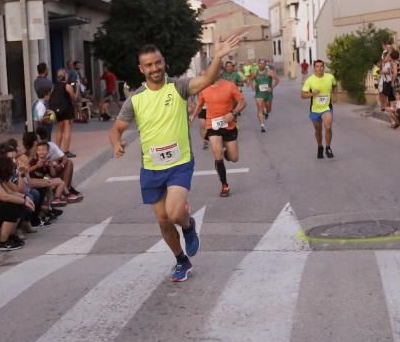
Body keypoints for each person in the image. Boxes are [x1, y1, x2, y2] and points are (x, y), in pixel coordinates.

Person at [110, 32, 244, 283]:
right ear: (141, 69)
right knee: (162, 220)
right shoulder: (135, 100)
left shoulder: (179, 87)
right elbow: (116, 128)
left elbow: (207, 79)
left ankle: (189, 225)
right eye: (148, 65)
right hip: (151, 168)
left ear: (164, 62)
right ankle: (181, 259)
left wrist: (216, 56)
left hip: (179, 163)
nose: (155, 68)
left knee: (174, 213)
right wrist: (117, 143)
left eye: (158, 62)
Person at [191, 76, 246, 197]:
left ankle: (227, 153)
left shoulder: (229, 85)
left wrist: (233, 113)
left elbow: (242, 102)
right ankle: (224, 185)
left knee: (234, 158)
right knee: (217, 154)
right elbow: (199, 105)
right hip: (213, 125)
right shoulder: (204, 88)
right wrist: (193, 116)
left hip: (229, 125)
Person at [301, 59, 337, 159]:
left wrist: (335, 96)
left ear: (324, 67)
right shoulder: (310, 80)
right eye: (317, 66)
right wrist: (312, 94)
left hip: (327, 107)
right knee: (318, 131)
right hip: (315, 109)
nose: (320, 68)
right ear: (314, 68)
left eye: (321, 66)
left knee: (328, 127)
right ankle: (320, 147)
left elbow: (334, 85)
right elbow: (302, 95)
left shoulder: (330, 77)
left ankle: (328, 148)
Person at [48, 68, 77, 158]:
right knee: (67, 129)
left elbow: (50, 97)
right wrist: (78, 88)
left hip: (57, 110)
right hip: (66, 109)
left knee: (59, 130)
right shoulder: (67, 86)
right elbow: (74, 97)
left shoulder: (54, 86)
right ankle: (66, 151)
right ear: (65, 76)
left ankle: (57, 150)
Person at [249, 57, 279, 132]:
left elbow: (277, 80)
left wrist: (272, 87)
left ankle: (266, 111)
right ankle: (262, 125)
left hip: (268, 94)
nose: (261, 65)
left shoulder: (269, 72)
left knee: (268, 109)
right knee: (259, 108)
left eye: (263, 64)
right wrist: (253, 87)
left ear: (265, 64)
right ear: (258, 64)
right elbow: (250, 79)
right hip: (259, 93)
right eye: (260, 63)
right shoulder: (255, 73)